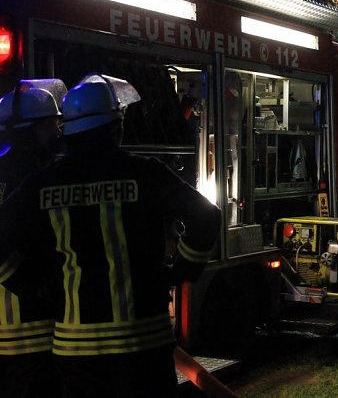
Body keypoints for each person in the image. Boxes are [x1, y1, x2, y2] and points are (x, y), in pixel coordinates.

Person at [0, 74, 222, 397]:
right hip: (145, 340)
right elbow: (206, 216)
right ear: (117, 127)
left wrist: (35, 289)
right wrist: (181, 270)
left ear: (69, 131)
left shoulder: (42, 184)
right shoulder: (146, 173)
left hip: (75, 348)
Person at [0, 79, 67, 398]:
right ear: (27, 130)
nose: (57, 133)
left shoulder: (24, 171)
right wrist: (35, 289)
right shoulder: (29, 178)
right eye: (49, 126)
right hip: (26, 327)